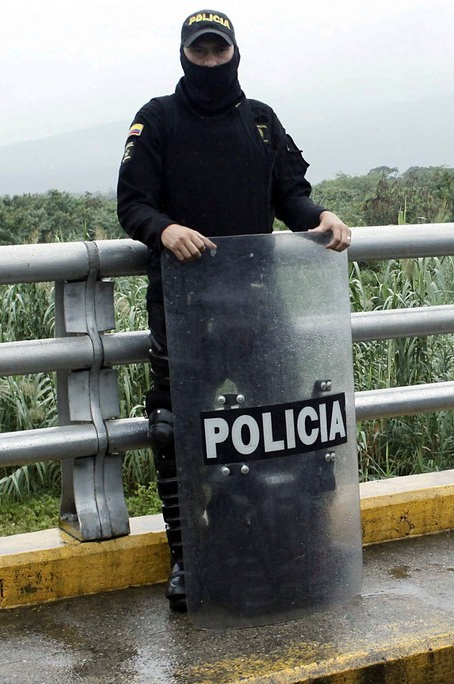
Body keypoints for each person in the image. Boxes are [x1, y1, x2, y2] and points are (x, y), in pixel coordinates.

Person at [117, 9, 352, 612]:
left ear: (234, 53)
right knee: (177, 434)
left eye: (219, 49)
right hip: (185, 308)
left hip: (258, 307)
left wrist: (319, 219)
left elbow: (290, 196)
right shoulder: (158, 119)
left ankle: (298, 546)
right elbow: (133, 204)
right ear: (184, 55)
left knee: (284, 429)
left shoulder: (262, 123)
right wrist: (165, 230)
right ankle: (185, 557)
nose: (211, 60)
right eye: (200, 51)